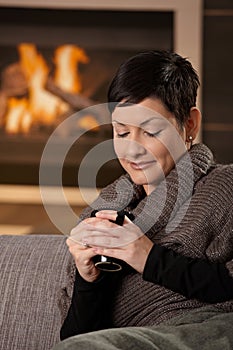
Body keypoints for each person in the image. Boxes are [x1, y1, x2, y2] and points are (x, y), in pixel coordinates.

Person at [54, 51, 233, 349]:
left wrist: (147, 257)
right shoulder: (106, 211)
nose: (132, 150)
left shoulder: (224, 187)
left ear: (189, 124)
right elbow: (76, 337)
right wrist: (89, 280)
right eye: (121, 132)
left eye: (150, 132)